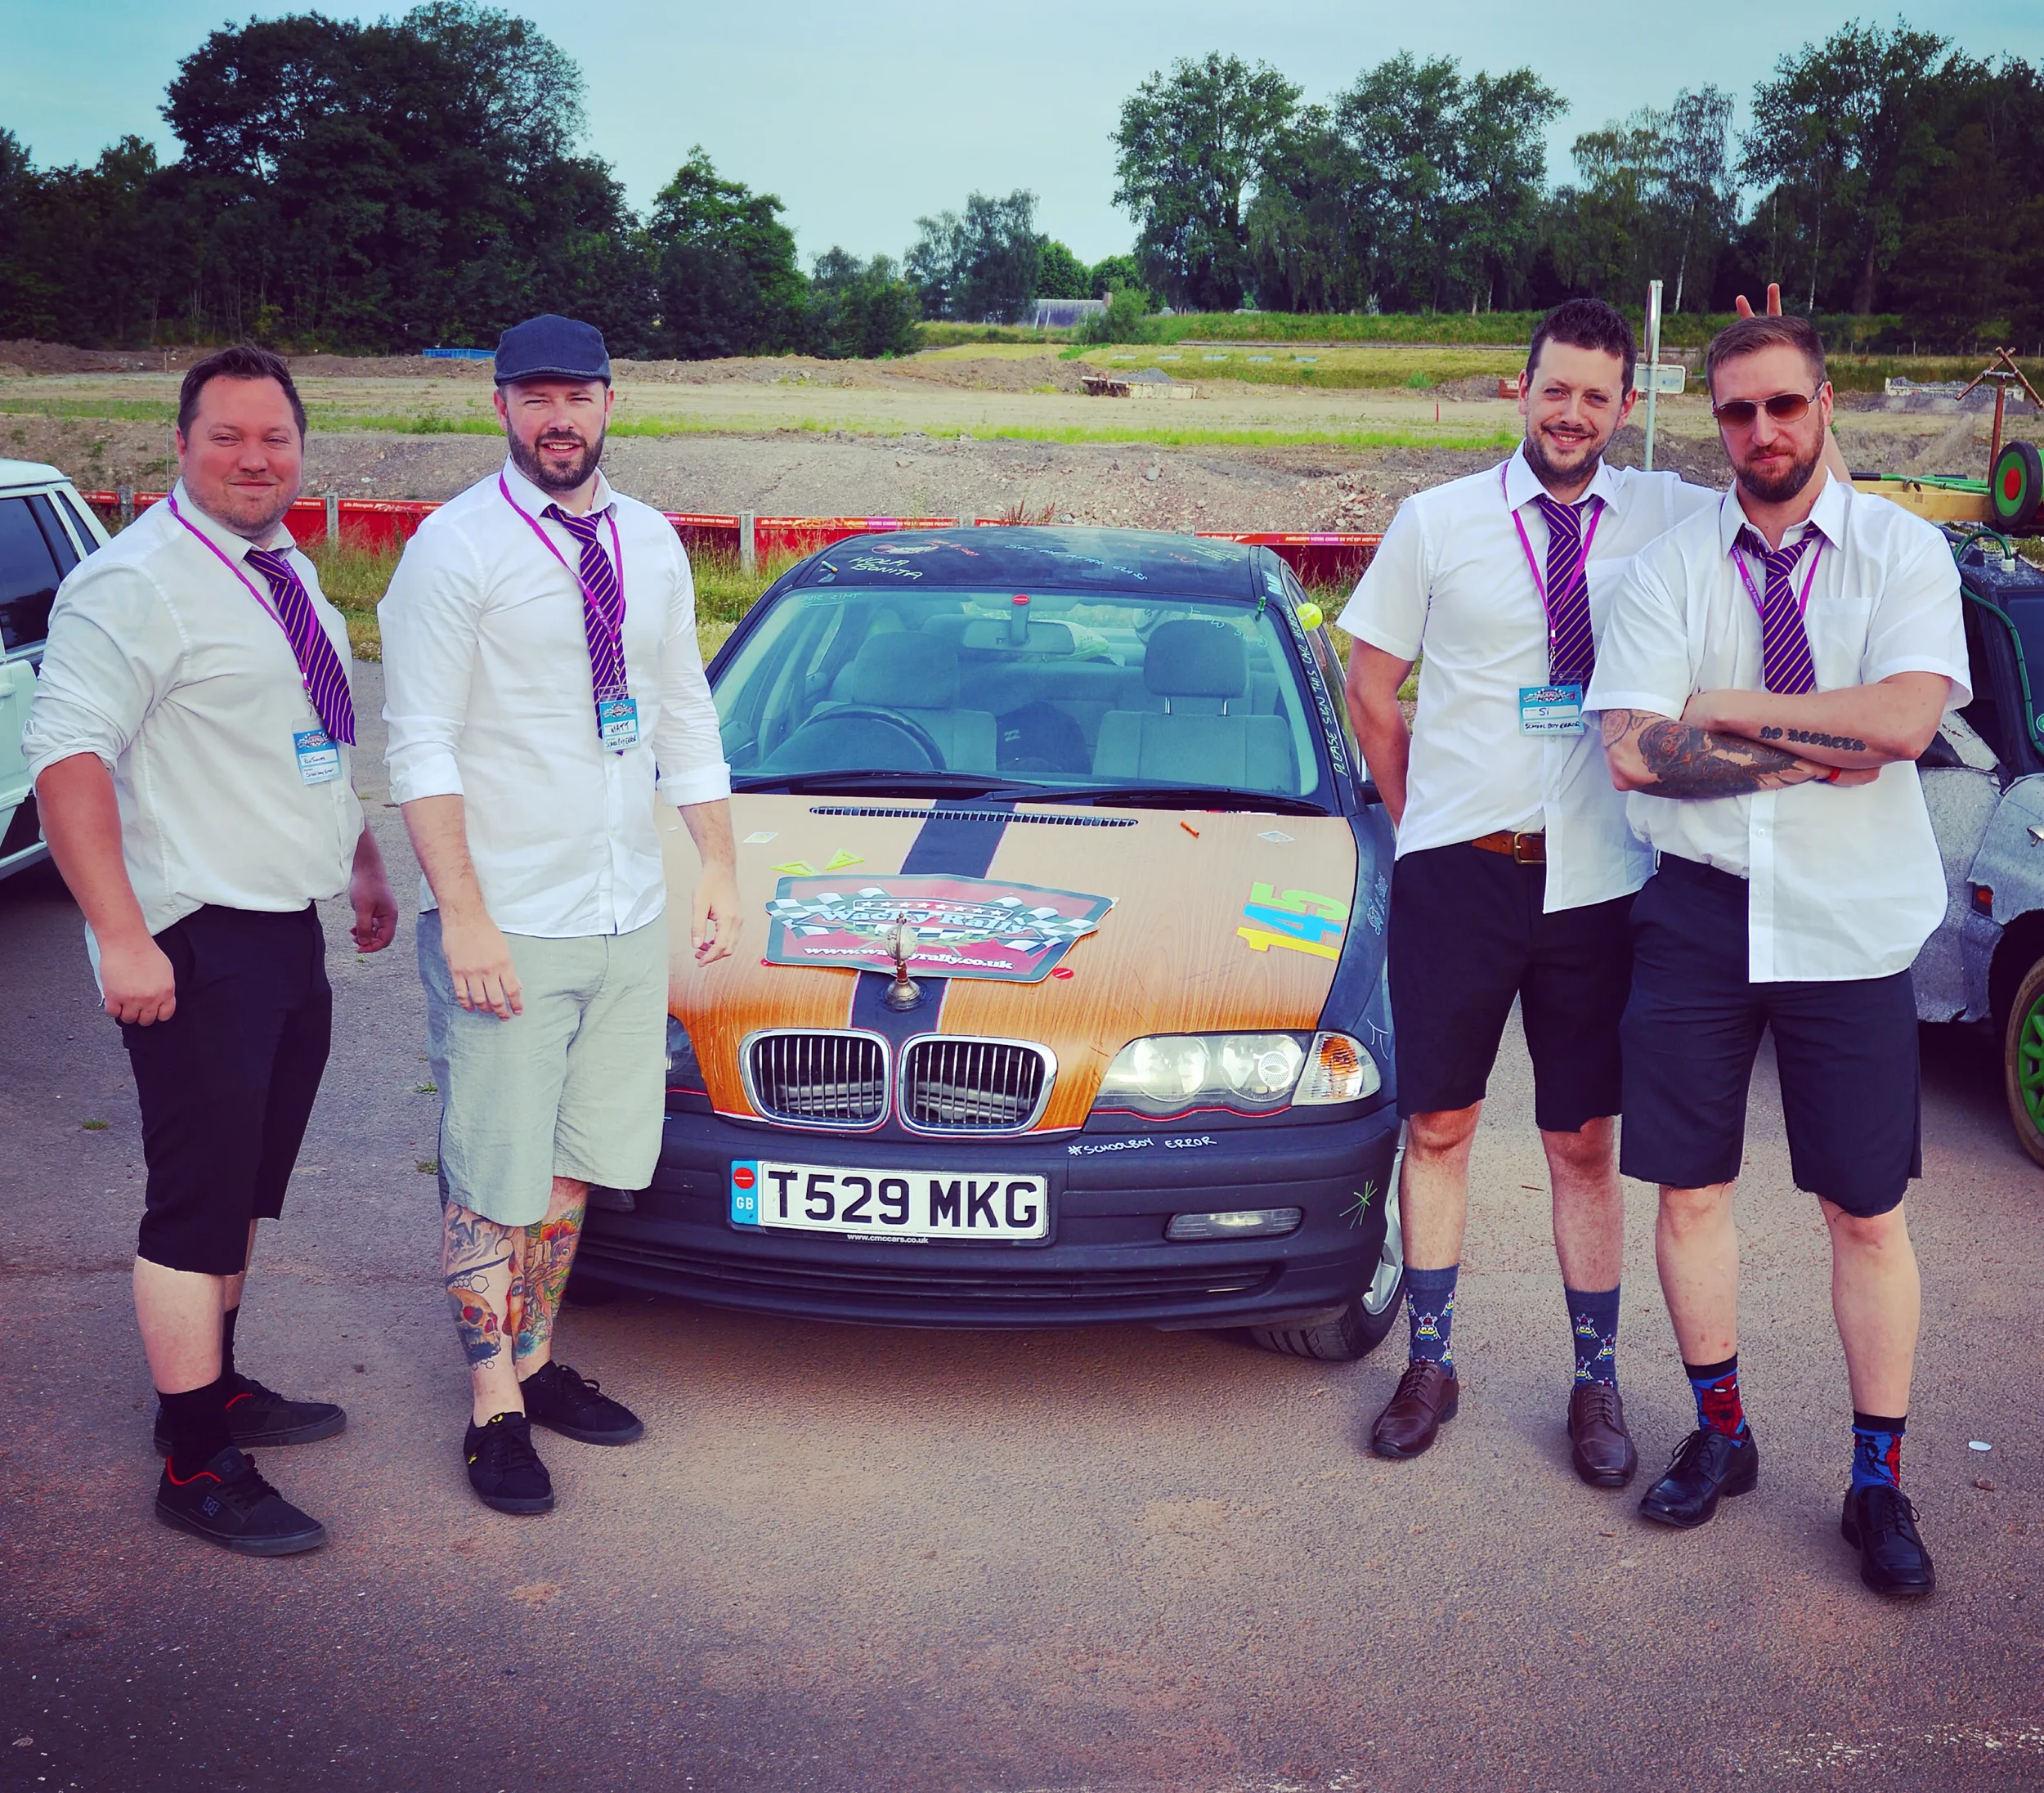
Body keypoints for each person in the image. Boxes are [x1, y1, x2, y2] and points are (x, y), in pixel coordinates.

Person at [1589, 312, 1966, 1595]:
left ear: (1824, 406)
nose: (1762, 434)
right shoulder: (1667, 569)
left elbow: (1906, 721)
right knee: (1688, 1191)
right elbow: (1637, 749)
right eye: (1738, 413)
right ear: (1717, 420)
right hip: (1698, 913)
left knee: (1864, 1210)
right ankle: (1724, 1436)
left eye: (1784, 408)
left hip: (1850, 924)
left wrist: (1731, 707)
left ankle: (1878, 1484)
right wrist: (1824, 742)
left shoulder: (1902, 553)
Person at [1340, 298, 1730, 1486]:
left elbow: (1789, 486)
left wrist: (1798, 385)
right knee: (1441, 1123)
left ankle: (1595, 1385)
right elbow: (1373, 689)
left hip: (1603, 881)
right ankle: (1433, 1361)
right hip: (1464, 870)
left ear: (1626, 407)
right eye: (1554, 389)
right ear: (1523, 391)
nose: (1572, 413)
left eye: (1597, 396)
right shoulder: (1437, 522)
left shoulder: (1666, 512)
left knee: (1583, 1140)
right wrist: (1425, 826)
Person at [25, 343, 399, 1556]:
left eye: (275, 438)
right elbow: (68, 760)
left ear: (302, 450)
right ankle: (192, 1461)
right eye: (228, 436)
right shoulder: (134, 583)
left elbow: (304, 742)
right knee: (196, 1200)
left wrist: (356, 860)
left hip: (280, 929)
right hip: (189, 936)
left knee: (244, 1185)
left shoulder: (286, 567)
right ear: (180, 445)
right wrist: (120, 936)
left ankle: (218, 1386)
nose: (254, 457)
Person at [379, 313, 740, 1517]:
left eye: (575, 395)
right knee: (492, 1164)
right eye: (533, 397)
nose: (557, 417)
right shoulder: (453, 549)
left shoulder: (651, 542)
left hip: (625, 910)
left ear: (609, 401)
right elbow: (419, 743)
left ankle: (535, 1363)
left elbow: (682, 709)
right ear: (499, 409)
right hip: (512, 920)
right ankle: (492, 1411)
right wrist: (464, 915)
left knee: (577, 1158)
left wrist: (718, 869)